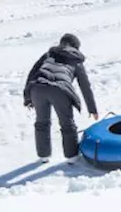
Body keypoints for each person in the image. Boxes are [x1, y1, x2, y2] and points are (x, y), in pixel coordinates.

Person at [22, 33, 99, 161]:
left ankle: (43, 156)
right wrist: (92, 109)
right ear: (76, 47)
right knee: (67, 124)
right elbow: (85, 86)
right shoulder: (76, 60)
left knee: (42, 122)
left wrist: (28, 98)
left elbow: (32, 74)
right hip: (59, 90)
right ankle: (72, 157)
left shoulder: (48, 54)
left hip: (38, 87)